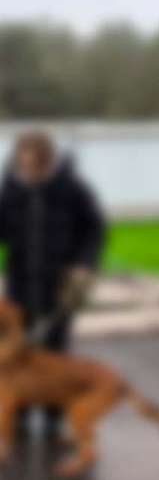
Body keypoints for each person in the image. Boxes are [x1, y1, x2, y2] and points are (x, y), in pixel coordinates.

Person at [0, 130, 104, 439]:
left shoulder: (69, 189)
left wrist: (83, 265)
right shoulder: (13, 189)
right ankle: (17, 415)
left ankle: (52, 418)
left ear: (45, 162)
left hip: (58, 285)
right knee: (18, 353)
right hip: (20, 284)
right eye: (23, 164)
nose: (27, 170)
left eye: (33, 165)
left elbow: (93, 228)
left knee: (54, 353)